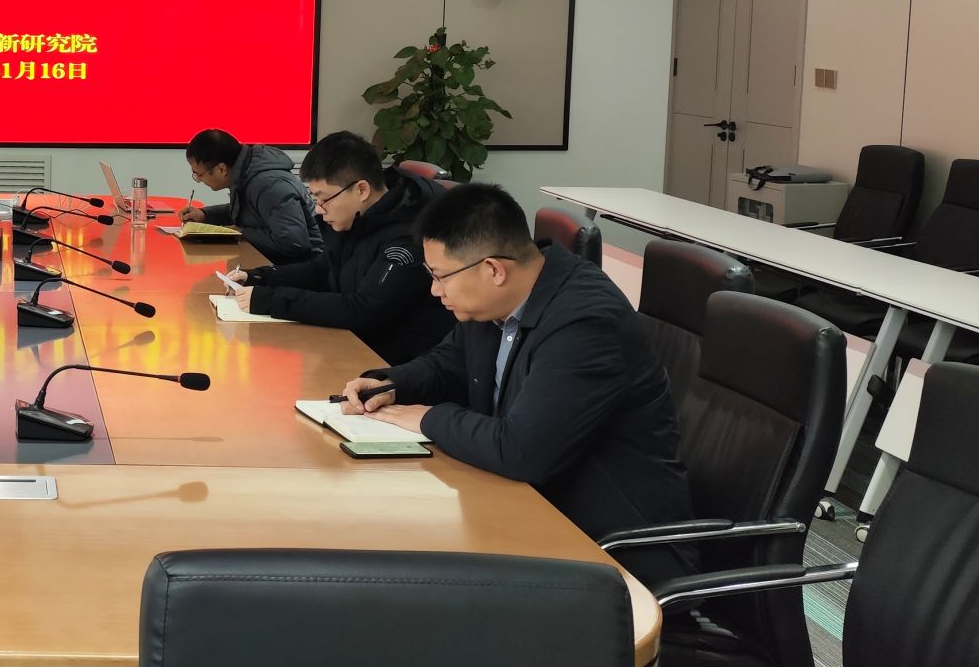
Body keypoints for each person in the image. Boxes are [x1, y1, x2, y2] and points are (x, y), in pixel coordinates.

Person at [339, 182, 696, 589]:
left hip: (612, 555)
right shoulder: (498, 301)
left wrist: (427, 418)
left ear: (493, 270)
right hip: (535, 516)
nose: (434, 291)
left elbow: (521, 451)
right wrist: (391, 383)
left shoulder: (585, 323)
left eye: (440, 276)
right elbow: (449, 362)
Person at [228, 132, 453, 363]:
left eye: (324, 199)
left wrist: (272, 300)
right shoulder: (359, 216)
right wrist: (261, 277)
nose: (318, 209)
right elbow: (323, 270)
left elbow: (364, 311)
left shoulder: (409, 236)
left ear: (361, 190)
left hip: (392, 361)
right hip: (354, 343)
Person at [179, 128, 321, 264]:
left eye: (199, 175)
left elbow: (293, 242)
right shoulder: (247, 174)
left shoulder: (269, 186)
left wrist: (241, 232)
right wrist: (205, 215)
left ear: (222, 169)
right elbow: (249, 210)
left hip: (306, 269)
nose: (199, 180)